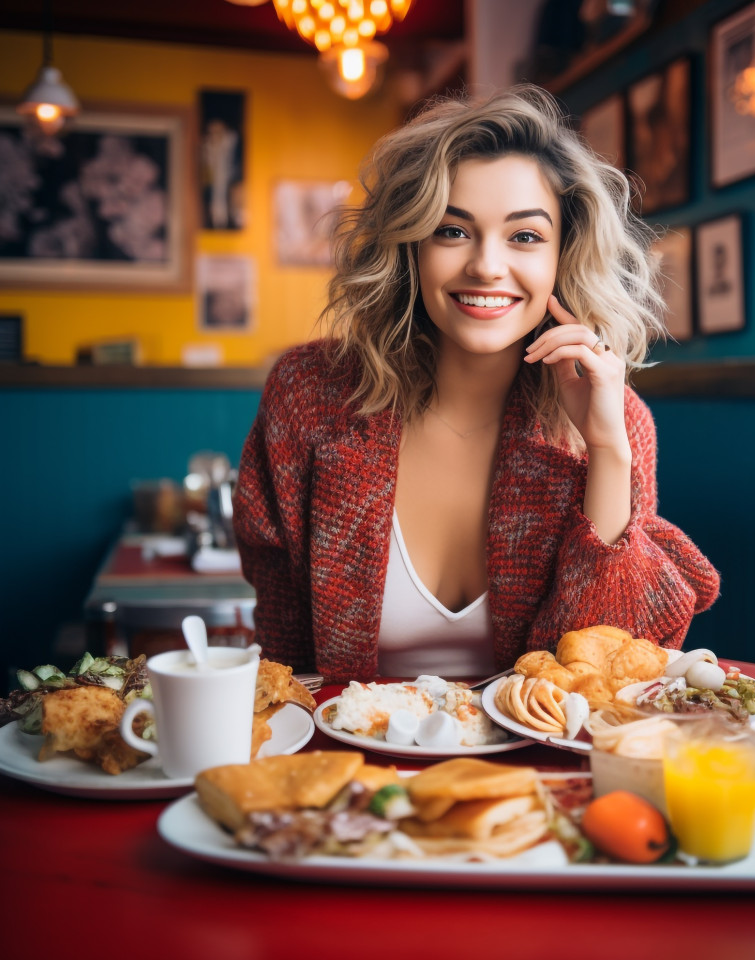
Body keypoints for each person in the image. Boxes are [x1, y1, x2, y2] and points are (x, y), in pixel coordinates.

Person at [233, 85, 719, 681]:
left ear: (563, 256)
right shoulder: (308, 394)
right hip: (351, 765)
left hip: (535, 774)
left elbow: (606, 675)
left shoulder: (614, 419)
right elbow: (286, 665)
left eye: (525, 236)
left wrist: (608, 454)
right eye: (452, 230)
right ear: (410, 246)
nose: (487, 265)